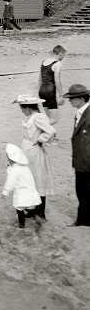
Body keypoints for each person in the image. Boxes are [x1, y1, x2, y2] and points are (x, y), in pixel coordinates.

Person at [14, 94, 56, 219]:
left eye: (22, 108)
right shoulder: (30, 117)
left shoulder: (38, 117)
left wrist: (40, 140)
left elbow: (51, 131)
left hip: (35, 153)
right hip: (28, 153)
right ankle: (33, 209)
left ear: (27, 108)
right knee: (29, 180)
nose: (21, 111)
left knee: (38, 180)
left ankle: (40, 212)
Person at [65, 83, 90, 226]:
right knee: (82, 191)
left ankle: (83, 221)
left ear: (81, 98)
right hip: (81, 160)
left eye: (72, 98)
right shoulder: (80, 112)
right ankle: (84, 220)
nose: (70, 101)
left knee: (85, 192)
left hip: (87, 161)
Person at [1, 144, 42, 231]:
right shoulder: (25, 168)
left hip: (21, 194)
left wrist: (5, 192)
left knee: (19, 210)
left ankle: (22, 225)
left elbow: (10, 182)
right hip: (31, 194)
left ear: (12, 159)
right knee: (31, 208)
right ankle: (36, 216)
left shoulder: (14, 170)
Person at [38, 45, 66, 118]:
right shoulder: (57, 64)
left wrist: (40, 91)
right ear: (60, 54)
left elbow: (40, 79)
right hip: (50, 91)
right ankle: (36, 129)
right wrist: (61, 95)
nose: (63, 58)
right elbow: (57, 80)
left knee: (48, 117)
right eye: (63, 56)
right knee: (54, 119)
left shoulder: (44, 61)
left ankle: (42, 128)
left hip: (41, 91)